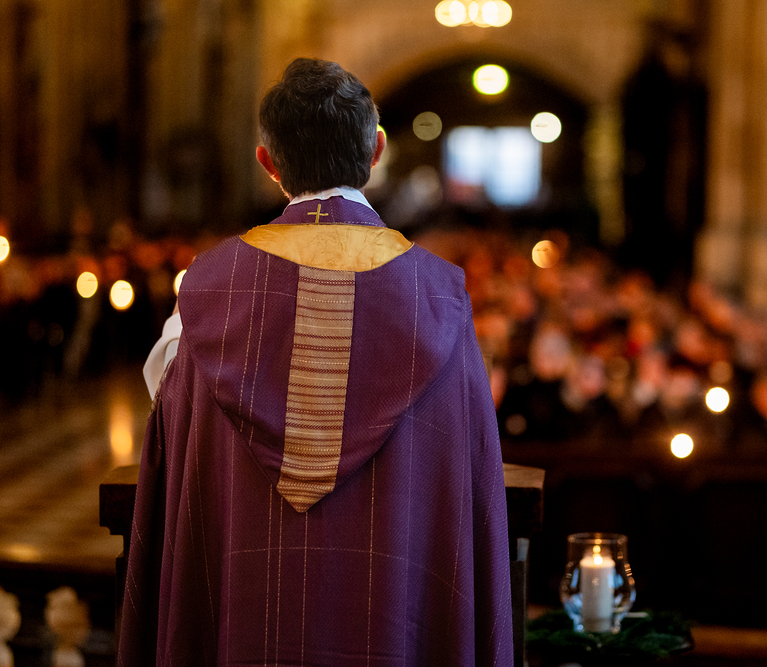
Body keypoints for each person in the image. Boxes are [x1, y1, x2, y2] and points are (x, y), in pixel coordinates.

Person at [119, 58, 513, 666]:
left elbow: (174, 416)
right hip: (392, 611)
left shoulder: (208, 292)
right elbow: (468, 463)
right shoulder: (440, 298)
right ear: (376, 150)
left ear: (268, 163)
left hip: (247, 608)